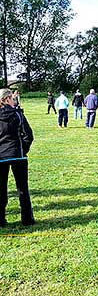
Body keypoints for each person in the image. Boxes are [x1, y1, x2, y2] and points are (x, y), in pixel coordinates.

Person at [0, 88, 35, 227]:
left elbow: (28, 136)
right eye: (12, 98)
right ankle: (27, 219)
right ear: (7, 99)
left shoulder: (18, 114)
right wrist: (22, 150)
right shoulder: (18, 114)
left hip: (7, 155)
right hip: (16, 155)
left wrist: (22, 150)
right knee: (22, 188)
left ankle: (1, 220)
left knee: (1, 188)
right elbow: (28, 135)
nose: (14, 100)